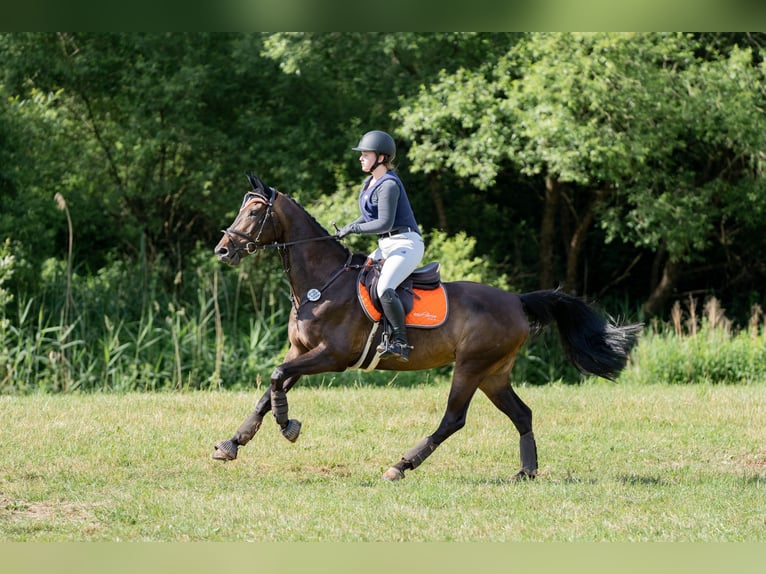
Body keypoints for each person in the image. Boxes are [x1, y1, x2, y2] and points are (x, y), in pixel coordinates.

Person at [337, 130, 424, 362]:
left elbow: (383, 222)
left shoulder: (389, 185)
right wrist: (347, 227)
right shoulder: (370, 183)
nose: (360, 158)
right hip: (387, 245)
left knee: (385, 287)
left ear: (382, 157)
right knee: (357, 278)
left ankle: (401, 342)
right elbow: (367, 218)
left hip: (405, 243)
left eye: (365, 154)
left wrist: (353, 230)